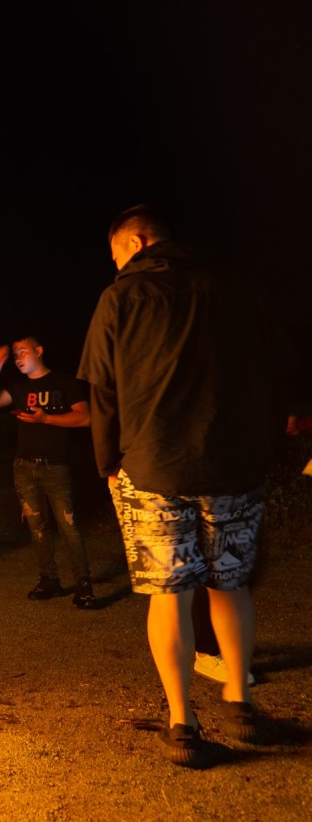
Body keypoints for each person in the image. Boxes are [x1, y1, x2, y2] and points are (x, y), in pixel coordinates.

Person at [78, 204, 289, 768]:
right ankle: (239, 702)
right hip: (235, 467)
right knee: (232, 584)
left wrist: (107, 464)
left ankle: (182, 721)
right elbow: (276, 373)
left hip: (153, 469)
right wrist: (267, 449)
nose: (118, 265)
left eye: (118, 253)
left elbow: (102, 390)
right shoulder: (238, 288)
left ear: (139, 241)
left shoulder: (120, 297)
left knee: (170, 595)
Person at [0, 337, 96, 608]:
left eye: (24, 352)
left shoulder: (64, 382)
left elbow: (85, 417)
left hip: (56, 465)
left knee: (68, 526)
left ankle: (84, 585)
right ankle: (49, 580)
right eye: (15, 355)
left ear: (39, 351)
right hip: (24, 466)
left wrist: (46, 418)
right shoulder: (20, 387)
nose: (19, 358)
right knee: (37, 527)